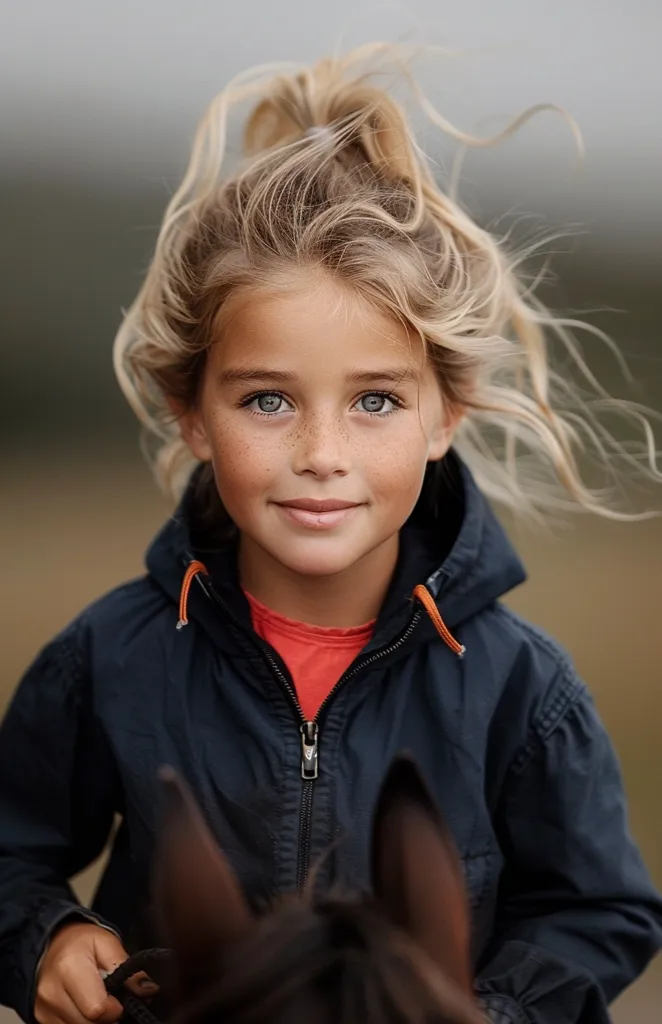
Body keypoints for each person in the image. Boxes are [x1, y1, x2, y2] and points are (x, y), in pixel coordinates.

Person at [0, 42, 660, 1024]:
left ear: (445, 416)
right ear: (191, 414)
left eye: (375, 401)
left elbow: (598, 912)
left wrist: (489, 1014)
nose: (321, 453)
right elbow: (11, 854)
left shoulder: (522, 688)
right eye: (267, 399)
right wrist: (43, 936)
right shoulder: (110, 658)